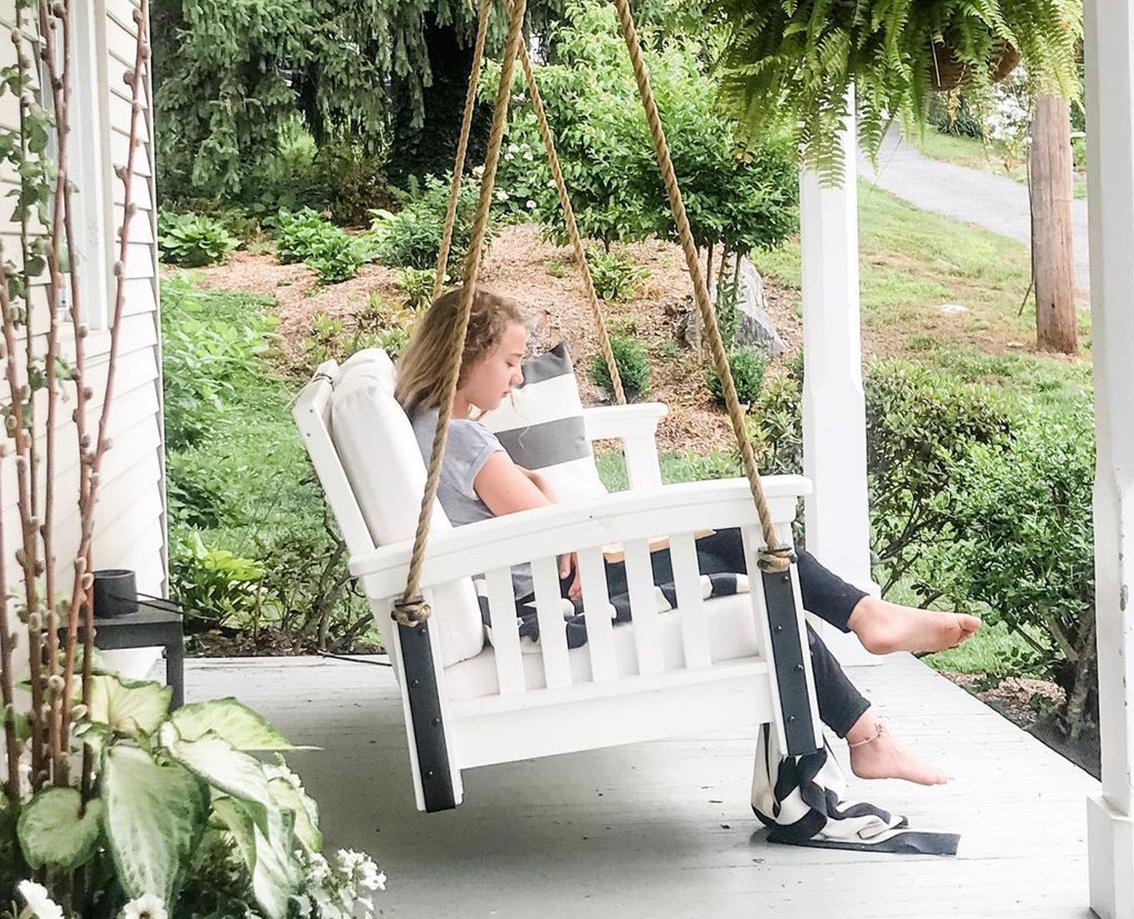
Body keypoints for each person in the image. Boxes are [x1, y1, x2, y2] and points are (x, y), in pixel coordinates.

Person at [395, 289, 981, 787]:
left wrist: (535, 486)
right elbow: (553, 527)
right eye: (510, 362)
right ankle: (867, 691)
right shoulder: (466, 440)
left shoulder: (423, 422)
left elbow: (529, 517)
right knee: (752, 566)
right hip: (552, 599)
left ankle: (868, 663)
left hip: (523, 590)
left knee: (741, 557)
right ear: (466, 354)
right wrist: (540, 485)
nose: (519, 377)